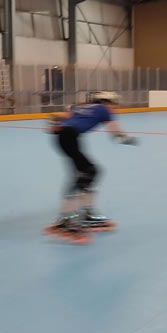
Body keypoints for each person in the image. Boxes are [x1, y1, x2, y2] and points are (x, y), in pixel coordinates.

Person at [45, 91, 138, 244]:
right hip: (70, 137)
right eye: (114, 104)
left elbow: (62, 116)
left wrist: (55, 123)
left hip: (65, 137)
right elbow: (116, 136)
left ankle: (83, 214)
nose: (116, 108)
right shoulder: (103, 109)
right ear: (107, 102)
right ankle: (67, 219)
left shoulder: (85, 106)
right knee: (89, 172)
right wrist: (129, 139)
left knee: (86, 173)